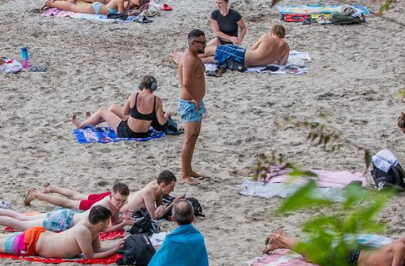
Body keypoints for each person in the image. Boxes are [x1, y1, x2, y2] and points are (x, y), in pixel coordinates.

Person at [0, 205, 125, 260]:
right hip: (32, 243)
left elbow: (97, 250)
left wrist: (112, 247)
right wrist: (115, 249)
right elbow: (90, 256)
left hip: (39, 237)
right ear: (100, 223)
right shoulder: (84, 231)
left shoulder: (91, 230)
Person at [263, 230, 405, 266]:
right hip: (352, 257)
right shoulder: (401, 246)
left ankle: (279, 243)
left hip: (355, 258)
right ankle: (280, 237)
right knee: (310, 255)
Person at [71, 75, 170, 138]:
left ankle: (82, 125)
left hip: (127, 132)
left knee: (103, 110)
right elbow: (162, 121)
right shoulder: (157, 100)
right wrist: (167, 115)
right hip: (144, 133)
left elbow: (125, 113)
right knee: (113, 108)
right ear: (154, 87)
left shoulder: (134, 96)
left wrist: (136, 111)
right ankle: (93, 121)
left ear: (141, 86)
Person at [186, 24, 291, 68]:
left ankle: (188, 57)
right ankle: (192, 58)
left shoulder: (266, 37)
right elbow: (282, 64)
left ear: (273, 32)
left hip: (244, 56)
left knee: (212, 50)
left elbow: (253, 48)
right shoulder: (286, 47)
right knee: (212, 59)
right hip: (249, 65)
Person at [177, 30, 206, 185]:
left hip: (196, 102)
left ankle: (189, 169)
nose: (205, 45)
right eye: (202, 42)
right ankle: (184, 175)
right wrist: (195, 99)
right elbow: (187, 83)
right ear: (193, 43)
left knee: (194, 138)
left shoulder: (193, 56)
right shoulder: (189, 59)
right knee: (188, 140)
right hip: (190, 103)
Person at [24, 181, 131, 211]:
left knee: (77, 195)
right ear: (112, 195)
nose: (121, 204)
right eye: (119, 200)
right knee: (68, 203)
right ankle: (36, 194)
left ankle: (51, 188)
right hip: (97, 203)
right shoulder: (103, 205)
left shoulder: (112, 197)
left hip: (104, 196)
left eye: (124, 201)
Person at [43, 0, 147, 16]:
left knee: (73, 6)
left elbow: (122, 13)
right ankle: (52, 3)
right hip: (98, 8)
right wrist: (131, 12)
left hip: (99, 7)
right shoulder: (122, 2)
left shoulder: (122, 1)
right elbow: (121, 15)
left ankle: (53, 1)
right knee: (72, 7)